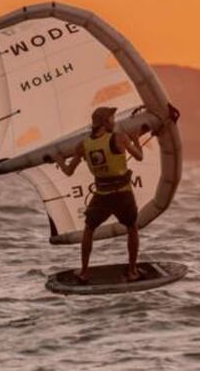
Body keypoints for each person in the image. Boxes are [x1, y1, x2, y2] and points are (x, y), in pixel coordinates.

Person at [58, 106, 145, 283]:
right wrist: (136, 139)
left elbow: (68, 171)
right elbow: (139, 156)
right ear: (105, 122)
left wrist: (60, 161)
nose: (114, 121)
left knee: (89, 229)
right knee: (131, 228)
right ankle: (132, 271)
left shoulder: (83, 145)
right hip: (122, 194)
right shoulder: (119, 138)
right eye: (112, 118)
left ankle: (84, 272)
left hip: (102, 196)